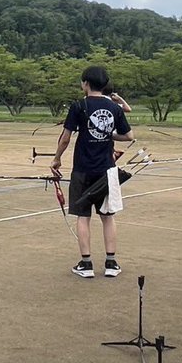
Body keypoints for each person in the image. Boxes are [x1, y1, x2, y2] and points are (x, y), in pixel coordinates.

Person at [51, 65, 135, 278]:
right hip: (107, 170)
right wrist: (109, 136)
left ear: (86, 83)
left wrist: (57, 158)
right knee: (108, 217)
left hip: (82, 169)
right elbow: (129, 136)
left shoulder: (79, 106)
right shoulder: (114, 108)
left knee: (82, 216)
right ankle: (111, 262)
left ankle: (86, 264)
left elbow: (66, 137)